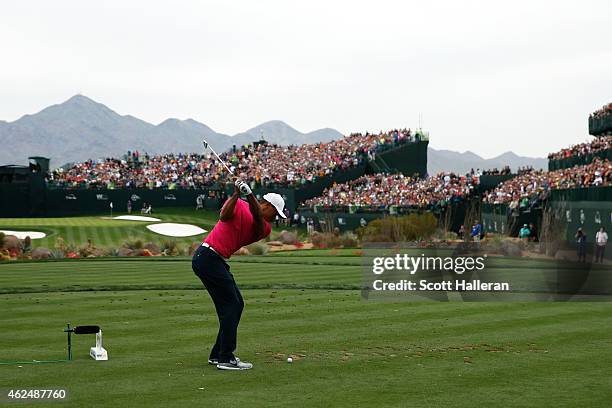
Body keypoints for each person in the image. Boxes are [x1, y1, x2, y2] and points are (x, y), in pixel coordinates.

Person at [191, 179, 286, 371]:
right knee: (232, 305)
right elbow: (224, 216)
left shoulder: (265, 227)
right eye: (275, 214)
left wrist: (249, 194)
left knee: (236, 304)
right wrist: (236, 194)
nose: (276, 219)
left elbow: (257, 219)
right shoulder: (239, 204)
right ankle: (225, 357)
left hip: (215, 261)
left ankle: (218, 354)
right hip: (207, 257)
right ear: (267, 205)